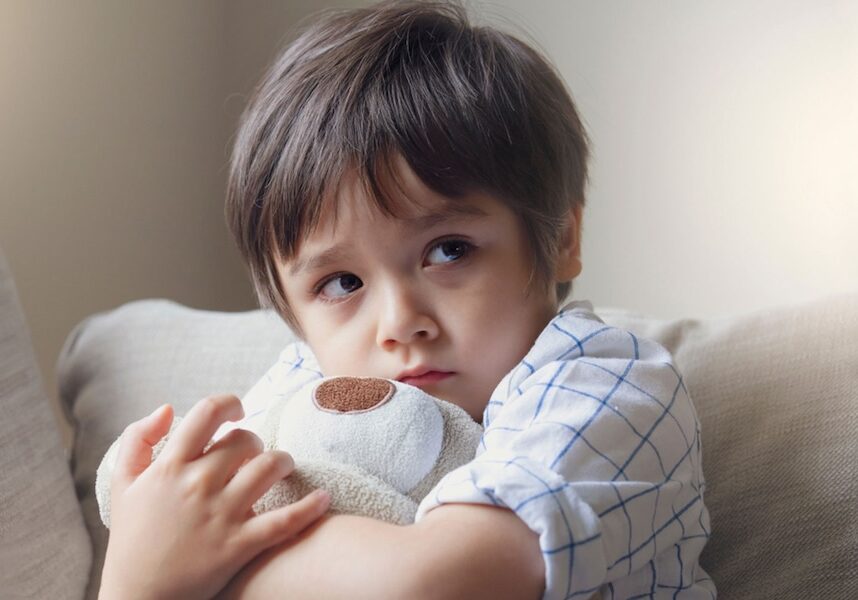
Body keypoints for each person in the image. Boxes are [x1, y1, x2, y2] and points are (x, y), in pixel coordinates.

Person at [99, 1, 715, 598]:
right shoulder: (306, 386)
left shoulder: (608, 386)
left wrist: (165, 578)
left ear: (560, 238)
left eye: (448, 250)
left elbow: (437, 582)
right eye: (342, 284)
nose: (398, 324)